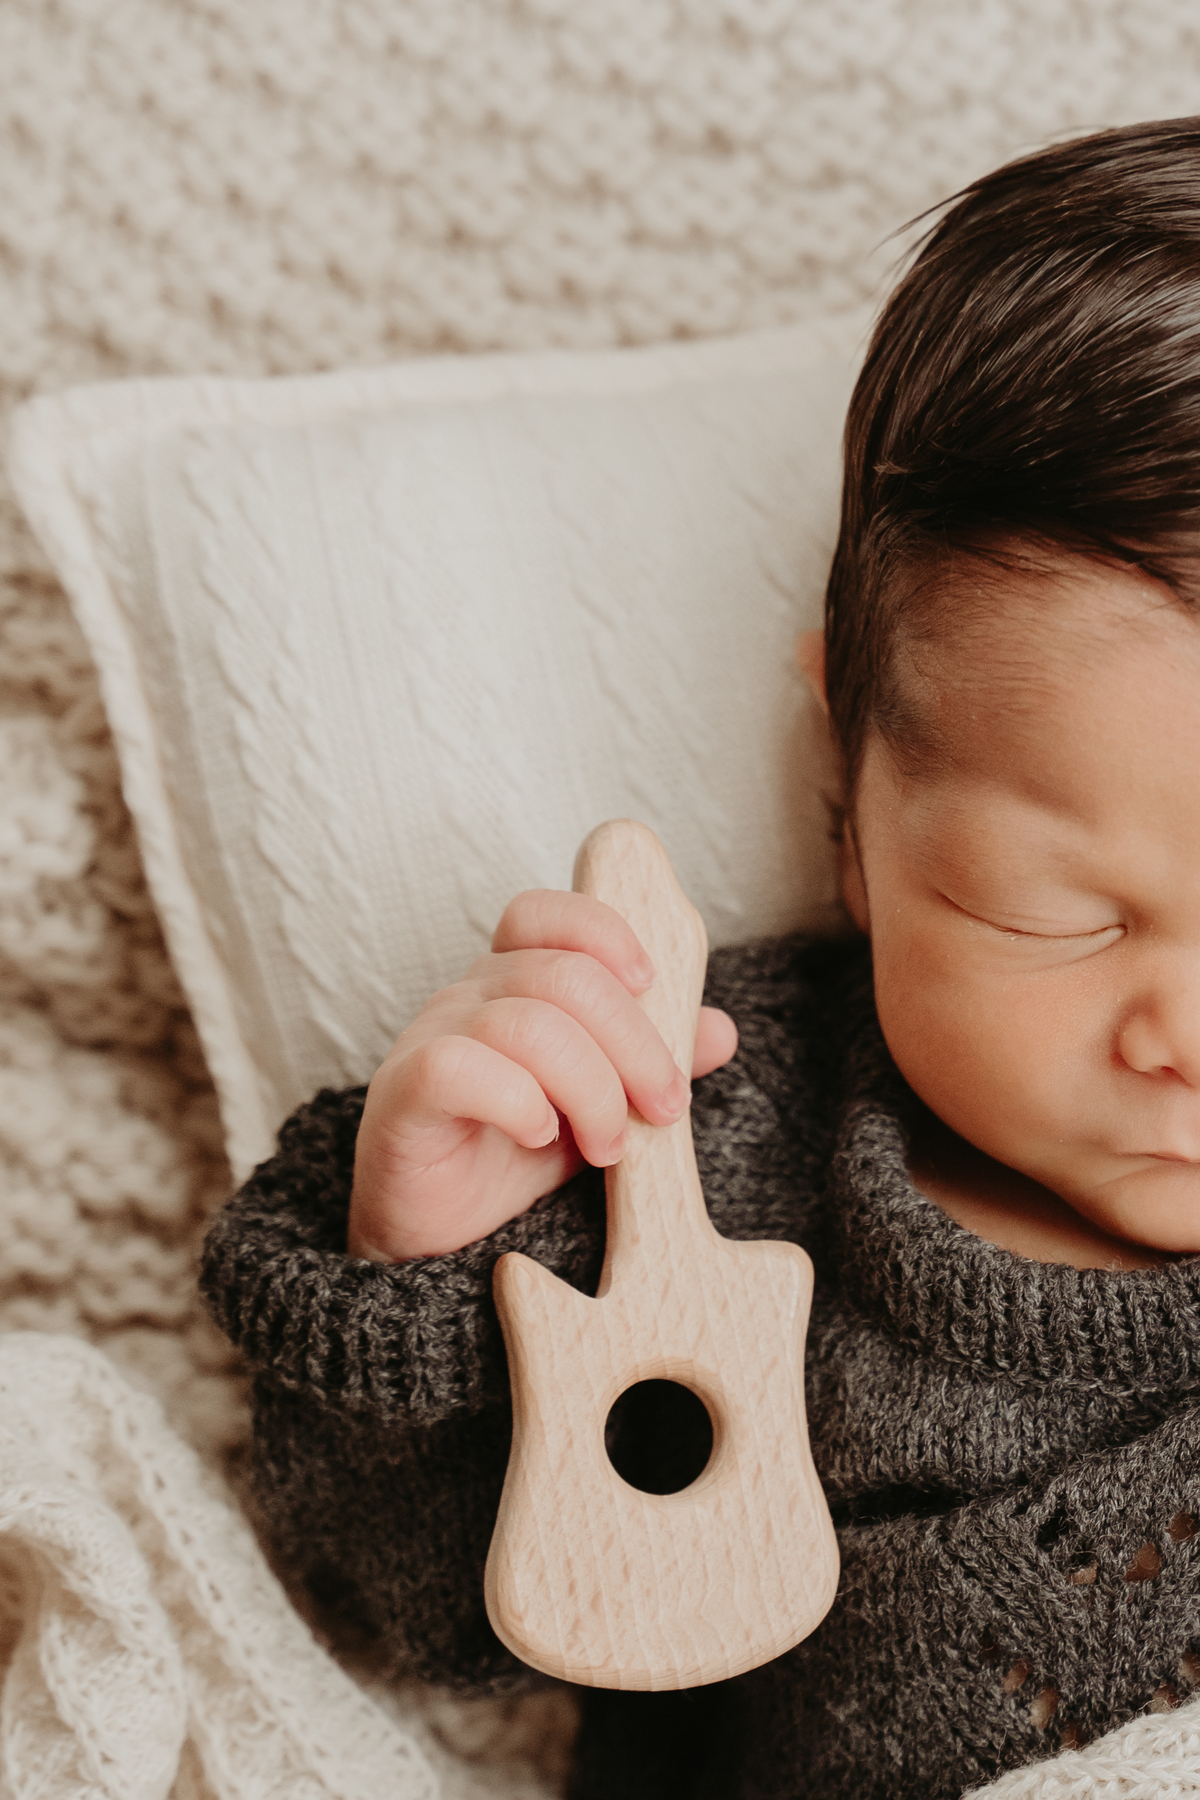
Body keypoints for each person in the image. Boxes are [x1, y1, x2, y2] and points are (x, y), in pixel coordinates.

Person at [201, 117, 1200, 1799]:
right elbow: (410, 1619)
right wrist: (430, 1264)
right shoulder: (702, 1139)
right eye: (1056, 911)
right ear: (850, 799)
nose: (1183, 1032)